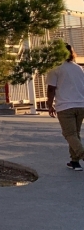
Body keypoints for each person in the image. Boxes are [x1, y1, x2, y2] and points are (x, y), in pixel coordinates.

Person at [46, 43, 84, 171]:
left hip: (65, 106)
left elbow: (51, 89)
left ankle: (82, 156)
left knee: (69, 134)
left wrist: (49, 105)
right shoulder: (79, 68)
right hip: (80, 105)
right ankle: (74, 162)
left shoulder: (55, 68)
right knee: (75, 134)